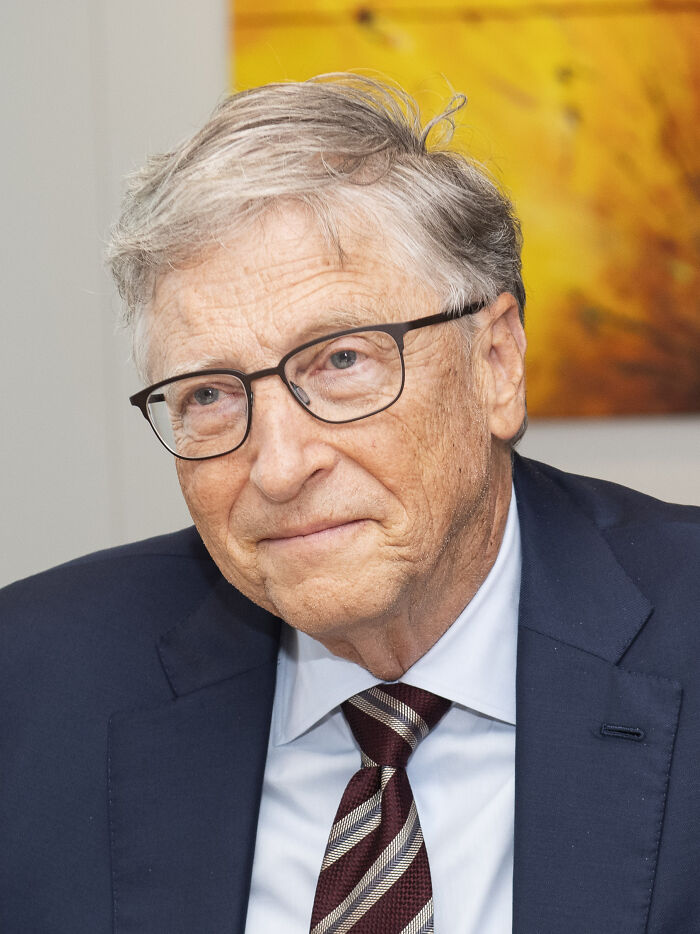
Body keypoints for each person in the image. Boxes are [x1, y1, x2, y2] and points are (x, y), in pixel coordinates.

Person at [1, 74, 698, 934]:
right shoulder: (32, 685)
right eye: (209, 393)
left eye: (341, 361)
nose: (279, 466)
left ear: (496, 363)